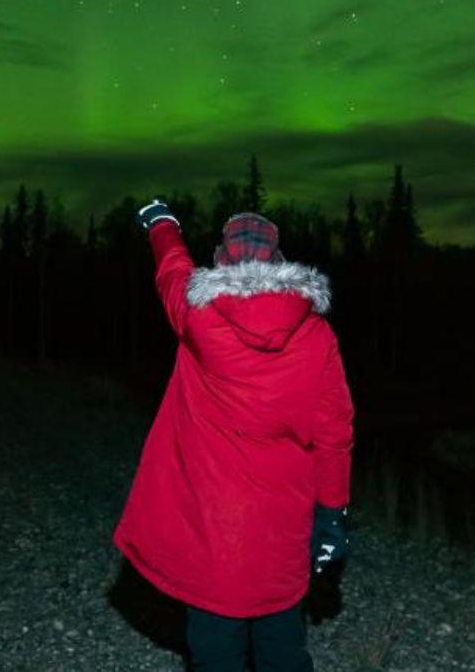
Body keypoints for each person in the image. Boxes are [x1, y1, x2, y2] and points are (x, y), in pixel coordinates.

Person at [114, 199, 355, 672]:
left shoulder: (196, 316)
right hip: (283, 527)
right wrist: (332, 515)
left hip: (213, 530)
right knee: (283, 646)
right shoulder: (317, 335)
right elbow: (334, 433)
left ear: (222, 261)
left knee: (215, 651)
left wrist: (161, 222)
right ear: (280, 261)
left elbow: (172, 268)